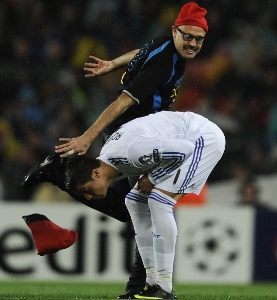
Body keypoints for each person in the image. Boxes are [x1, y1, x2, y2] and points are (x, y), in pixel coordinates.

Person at [22, 2, 209, 298]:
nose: (193, 44)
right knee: (145, 212)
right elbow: (124, 101)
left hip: (136, 132)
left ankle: (142, 286)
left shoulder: (165, 45)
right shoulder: (165, 63)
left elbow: (140, 53)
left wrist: (113, 64)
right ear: (176, 31)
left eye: (199, 39)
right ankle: (144, 287)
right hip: (141, 136)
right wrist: (87, 137)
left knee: (133, 210)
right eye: (188, 36)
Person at [64, 110, 225, 299]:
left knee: (159, 201)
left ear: (96, 174)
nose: (89, 197)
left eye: (86, 190)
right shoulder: (110, 159)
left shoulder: (131, 154)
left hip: (203, 138)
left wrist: (152, 178)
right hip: (188, 135)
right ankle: (150, 282)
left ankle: (164, 288)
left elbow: (185, 149)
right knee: (133, 202)